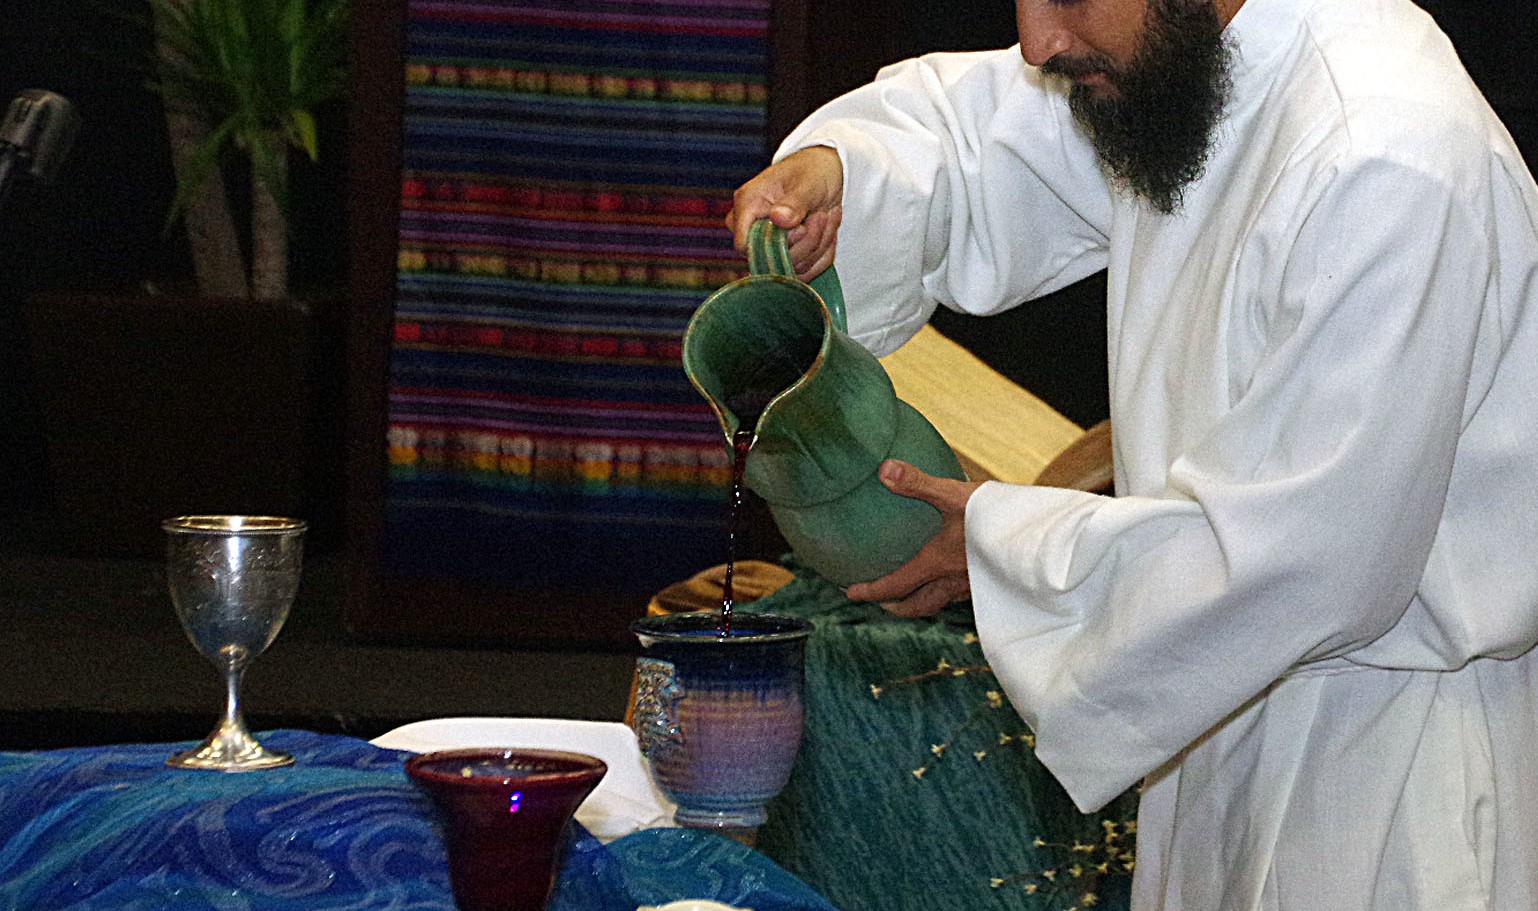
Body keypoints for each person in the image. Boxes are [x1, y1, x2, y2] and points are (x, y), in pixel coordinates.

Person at [725, 0, 1538, 907]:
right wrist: (845, 171)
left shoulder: (1385, 153)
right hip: (1219, 725)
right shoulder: (1202, 60)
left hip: (1384, 792)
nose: (1038, 38)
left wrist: (1002, 547)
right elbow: (989, 138)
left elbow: (1308, 559)